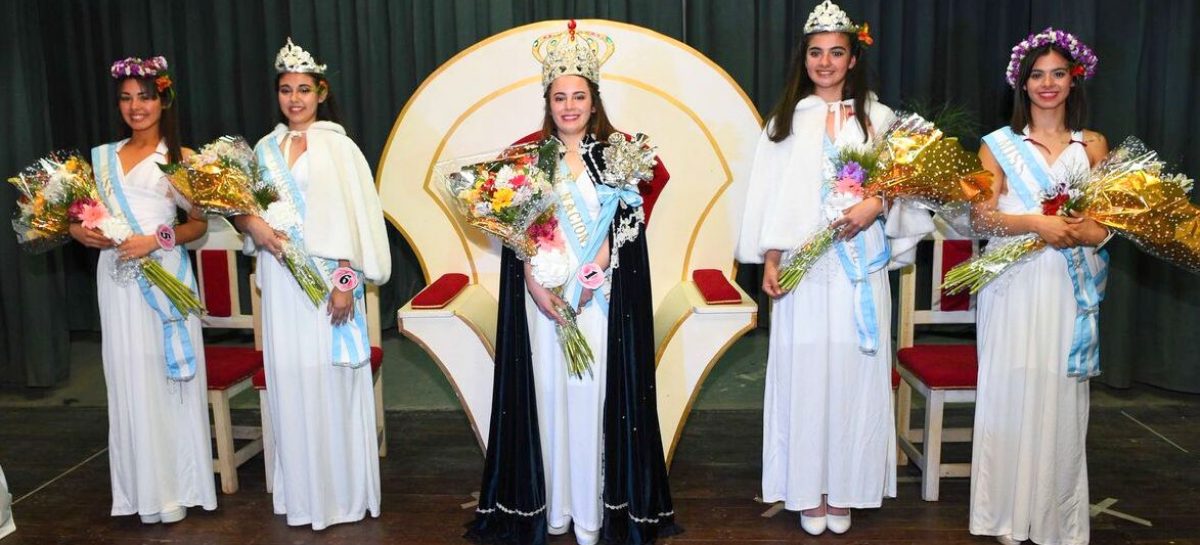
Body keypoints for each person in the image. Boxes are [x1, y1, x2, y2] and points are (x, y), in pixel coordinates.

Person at [466, 21, 679, 545]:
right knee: (547, 397)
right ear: (548, 101)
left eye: (578, 95)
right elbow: (517, 231)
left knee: (593, 397)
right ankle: (553, 507)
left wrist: (592, 273)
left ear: (593, 99)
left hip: (602, 300)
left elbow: (627, 224)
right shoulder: (526, 159)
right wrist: (540, 289)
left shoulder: (618, 155)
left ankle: (593, 511)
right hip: (544, 302)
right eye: (559, 96)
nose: (568, 106)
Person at [736, 0, 932, 536]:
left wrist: (878, 203)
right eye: (816, 53)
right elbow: (767, 197)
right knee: (804, 373)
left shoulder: (881, 119)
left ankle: (843, 487)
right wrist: (769, 258)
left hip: (857, 269)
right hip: (804, 269)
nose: (825, 62)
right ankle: (806, 487)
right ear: (804, 59)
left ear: (852, 58)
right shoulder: (784, 121)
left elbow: (904, 186)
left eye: (836, 53)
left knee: (851, 373)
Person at [234, 38, 391, 530]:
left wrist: (346, 282)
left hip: (328, 283)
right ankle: (303, 493)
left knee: (331, 379)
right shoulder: (262, 148)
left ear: (320, 93)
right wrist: (249, 224)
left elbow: (356, 220)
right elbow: (248, 212)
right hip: (282, 284)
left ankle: (341, 495)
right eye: (286, 90)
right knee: (293, 379)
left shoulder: (339, 147)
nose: (295, 99)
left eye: (304, 89)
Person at [970, 28, 1109, 545]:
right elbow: (980, 218)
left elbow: (1108, 223)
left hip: (1068, 286)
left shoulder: (1093, 144)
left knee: (1059, 392)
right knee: (1009, 389)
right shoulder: (994, 146)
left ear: (1074, 79)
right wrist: (1037, 224)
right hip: (1012, 284)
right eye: (1036, 75)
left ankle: (1055, 518)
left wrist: (1083, 231)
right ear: (1021, 84)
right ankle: (1004, 516)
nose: (1047, 84)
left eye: (1057, 74)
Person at [70, 56, 215, 524]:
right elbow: (79, 218)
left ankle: (177, 488)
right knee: (129, 377)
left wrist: (156, 239)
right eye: (127, 98)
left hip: (165, 276)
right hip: (117, 281)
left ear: (163, 100)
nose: (136, 107)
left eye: (145, 97)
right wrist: (81, 234)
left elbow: (197, 226)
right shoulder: (101, 158)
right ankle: (140, 492)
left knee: (165, 378)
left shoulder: (181, 159)